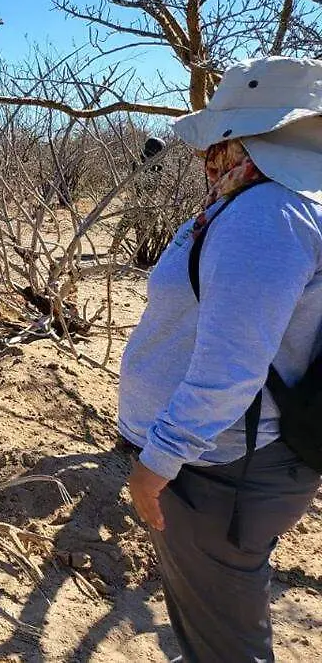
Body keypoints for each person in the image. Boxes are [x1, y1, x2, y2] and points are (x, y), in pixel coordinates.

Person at [118, 56, 322, 663]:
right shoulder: (276, 201)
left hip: (220, 467)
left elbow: (231, 369)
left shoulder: (266, 214)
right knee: (216, 622)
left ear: (244, 136)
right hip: (237, 459)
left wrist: (159, 460)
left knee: (226, 645)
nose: (207, 154)